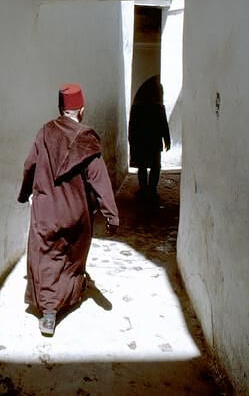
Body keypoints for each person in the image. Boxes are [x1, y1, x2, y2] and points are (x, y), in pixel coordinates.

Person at [17, 83, 120, 336]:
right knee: (71, 256)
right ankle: (70, 295)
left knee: (47, 258)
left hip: (45, 212)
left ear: (61, 108)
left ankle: (49, 313)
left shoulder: (44, 133)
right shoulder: (86, 140)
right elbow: (99, 180)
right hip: (76, 213)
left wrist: (24, 193)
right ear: (81, 110)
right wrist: (111, 215)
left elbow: (30, 164)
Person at [128, 76, 171, 202]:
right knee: (155, 166)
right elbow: (164, 125)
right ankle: (151, 190)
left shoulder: (137, 107)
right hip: (154, 142)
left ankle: (144, 190)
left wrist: (132, 140)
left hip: (141, 142)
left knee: (142, 167)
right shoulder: (158, 106)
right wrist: (167, 140)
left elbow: (132, 125)